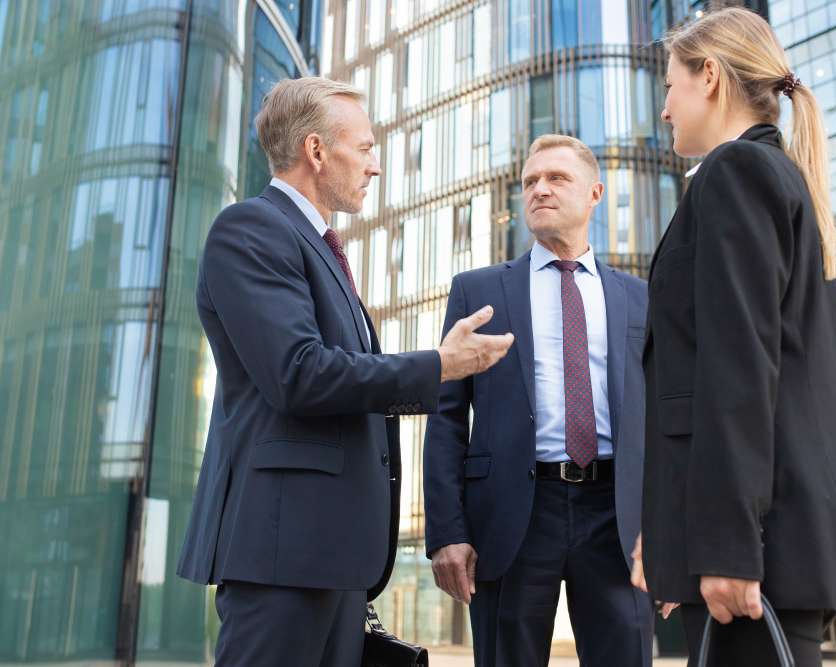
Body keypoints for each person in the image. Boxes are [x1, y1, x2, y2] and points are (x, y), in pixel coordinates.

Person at [175, 77, 514, 667]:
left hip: (330, 555)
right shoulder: (251, 229)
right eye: (365, 147)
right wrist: (440, 365)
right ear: (315, 150)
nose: (374, 166)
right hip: (283, 555)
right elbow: (299, 374)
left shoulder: (315, 243)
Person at [631, 8, 836, 666]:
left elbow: (738, 371)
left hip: (752, 554)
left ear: (710, 77)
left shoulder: (734, 175)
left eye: (670, 86)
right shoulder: (784, 179)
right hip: (776, 539)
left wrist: (723, 546)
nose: (664, 109)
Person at [423, 134, 653, 666]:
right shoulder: (477, 291)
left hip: (616, 516)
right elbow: (447, 418)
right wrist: (447, 532)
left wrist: (667, 532)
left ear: (595, 193)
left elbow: (663, 422)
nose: (540, 190)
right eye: (530, 181)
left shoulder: (639, 297)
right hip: (511, 516)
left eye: (557, 178)